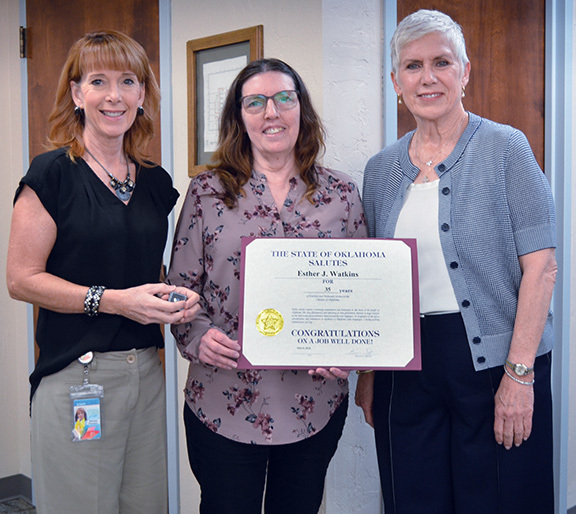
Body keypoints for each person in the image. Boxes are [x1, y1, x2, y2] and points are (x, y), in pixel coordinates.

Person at [355, 9, 556, 514]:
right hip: (407, 364)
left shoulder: (506, 147)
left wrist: (520, 374)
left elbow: (543, 267)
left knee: (499, 496)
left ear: (465, 73)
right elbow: (374, 278)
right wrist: (370, 373)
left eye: (441, 62)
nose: (428, 77)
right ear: (396, 81)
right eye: (413, 66)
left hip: (495, 361)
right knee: (412, 497)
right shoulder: (380, 170)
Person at [6, 31, 200, 514]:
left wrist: (173, 296)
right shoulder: (52, 174)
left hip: (147, 374)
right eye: (98, 81)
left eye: (127, 81)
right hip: (79, 375)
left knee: (147, 505)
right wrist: (113, 300)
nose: (114, 95)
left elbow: (142, 266)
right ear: (77, 94)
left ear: (141, 94)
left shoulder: (154, 181)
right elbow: (21, 279)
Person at [167, 58, 366, 514]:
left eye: (283, 98)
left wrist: (351, 352)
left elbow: (361, 295)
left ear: (302, 109)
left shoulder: (341, 194)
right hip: (222, 401)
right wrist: (198, 337)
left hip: (312, 405)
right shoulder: (206, 192)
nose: (270, 112)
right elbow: (180, 290)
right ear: (240, 116)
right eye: (255, 102)